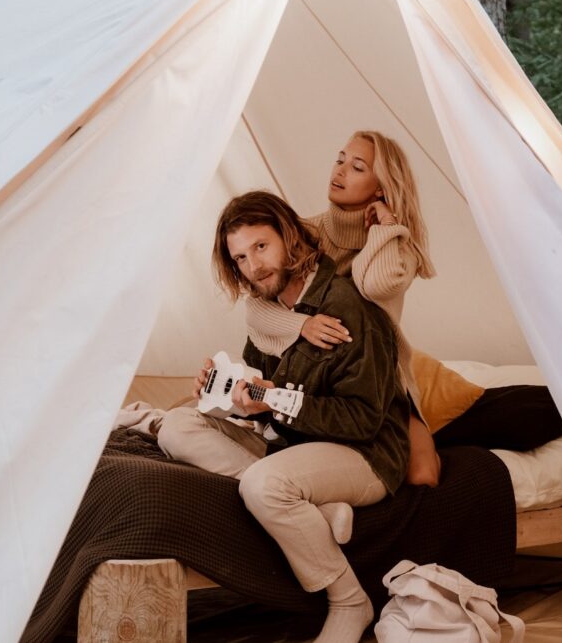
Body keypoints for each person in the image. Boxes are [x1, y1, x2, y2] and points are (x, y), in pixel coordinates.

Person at [157, 191, 410, 643]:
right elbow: (262, 400)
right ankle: (310, 508)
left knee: (263, 483)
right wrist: (227, 393)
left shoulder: (345, 305)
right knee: (177, 425)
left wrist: (277, 402)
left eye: (260, 247)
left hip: (364, 455)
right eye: (240, 258)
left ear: (289, 237)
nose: (253, 266)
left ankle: (349, 599)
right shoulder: (267, 314)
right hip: (293, 448)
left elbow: (363, 420)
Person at [245, 130, 442, 487]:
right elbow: (255, 309)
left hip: (378, 377)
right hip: (316, 372)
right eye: (339, 160)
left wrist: (384, 229)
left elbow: (373, 285)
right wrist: (301, 325)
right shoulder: (305, 233)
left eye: (357, 167)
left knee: (422, 477)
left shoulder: (399, 247)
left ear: (381, 186)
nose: (339, 171)